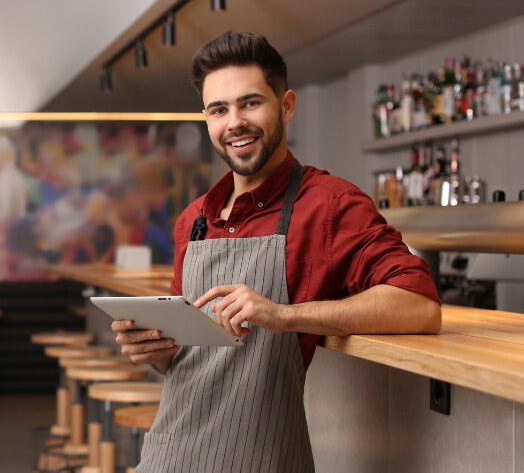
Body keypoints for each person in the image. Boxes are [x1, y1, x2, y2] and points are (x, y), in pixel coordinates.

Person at [111, 30, 441, 473]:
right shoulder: (193, 220)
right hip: (171, 454)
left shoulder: (330, 205)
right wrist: (154, 350)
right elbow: (185, 361)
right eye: (218, 110)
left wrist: (285, 315)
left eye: (250, 103)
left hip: (263, 459)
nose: (234, 123)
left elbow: (419, 305)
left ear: (286, 105)